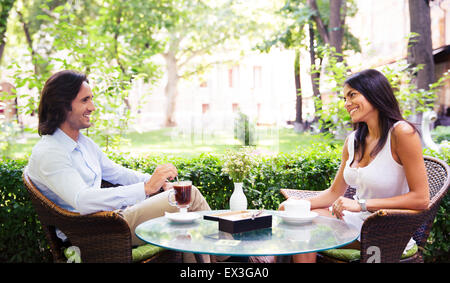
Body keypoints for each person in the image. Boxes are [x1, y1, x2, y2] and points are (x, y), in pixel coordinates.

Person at [26, 70, 211, 262]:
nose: (93, 107)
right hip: (96, 232)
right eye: (85, 100)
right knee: (189, 197)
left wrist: (157, 182)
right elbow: (82, 200)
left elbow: (116, 173)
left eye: (92, 99)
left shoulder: (82, 143)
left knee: (185, 219)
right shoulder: (49, 153)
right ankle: (231, 258)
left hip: (112, 219)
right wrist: (146, 188)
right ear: (62, 105)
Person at [279, 69, 430, 263]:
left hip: (387, 231)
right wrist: (298, 204)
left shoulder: (401, 133)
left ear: (375, 93)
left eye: (352, 95)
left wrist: (360, 205)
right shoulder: (353, 140)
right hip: (355, 221)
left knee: (302, 228)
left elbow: (421, 198)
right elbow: (334, 192)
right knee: (295, 214)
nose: (346, 103)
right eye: (344, 98)